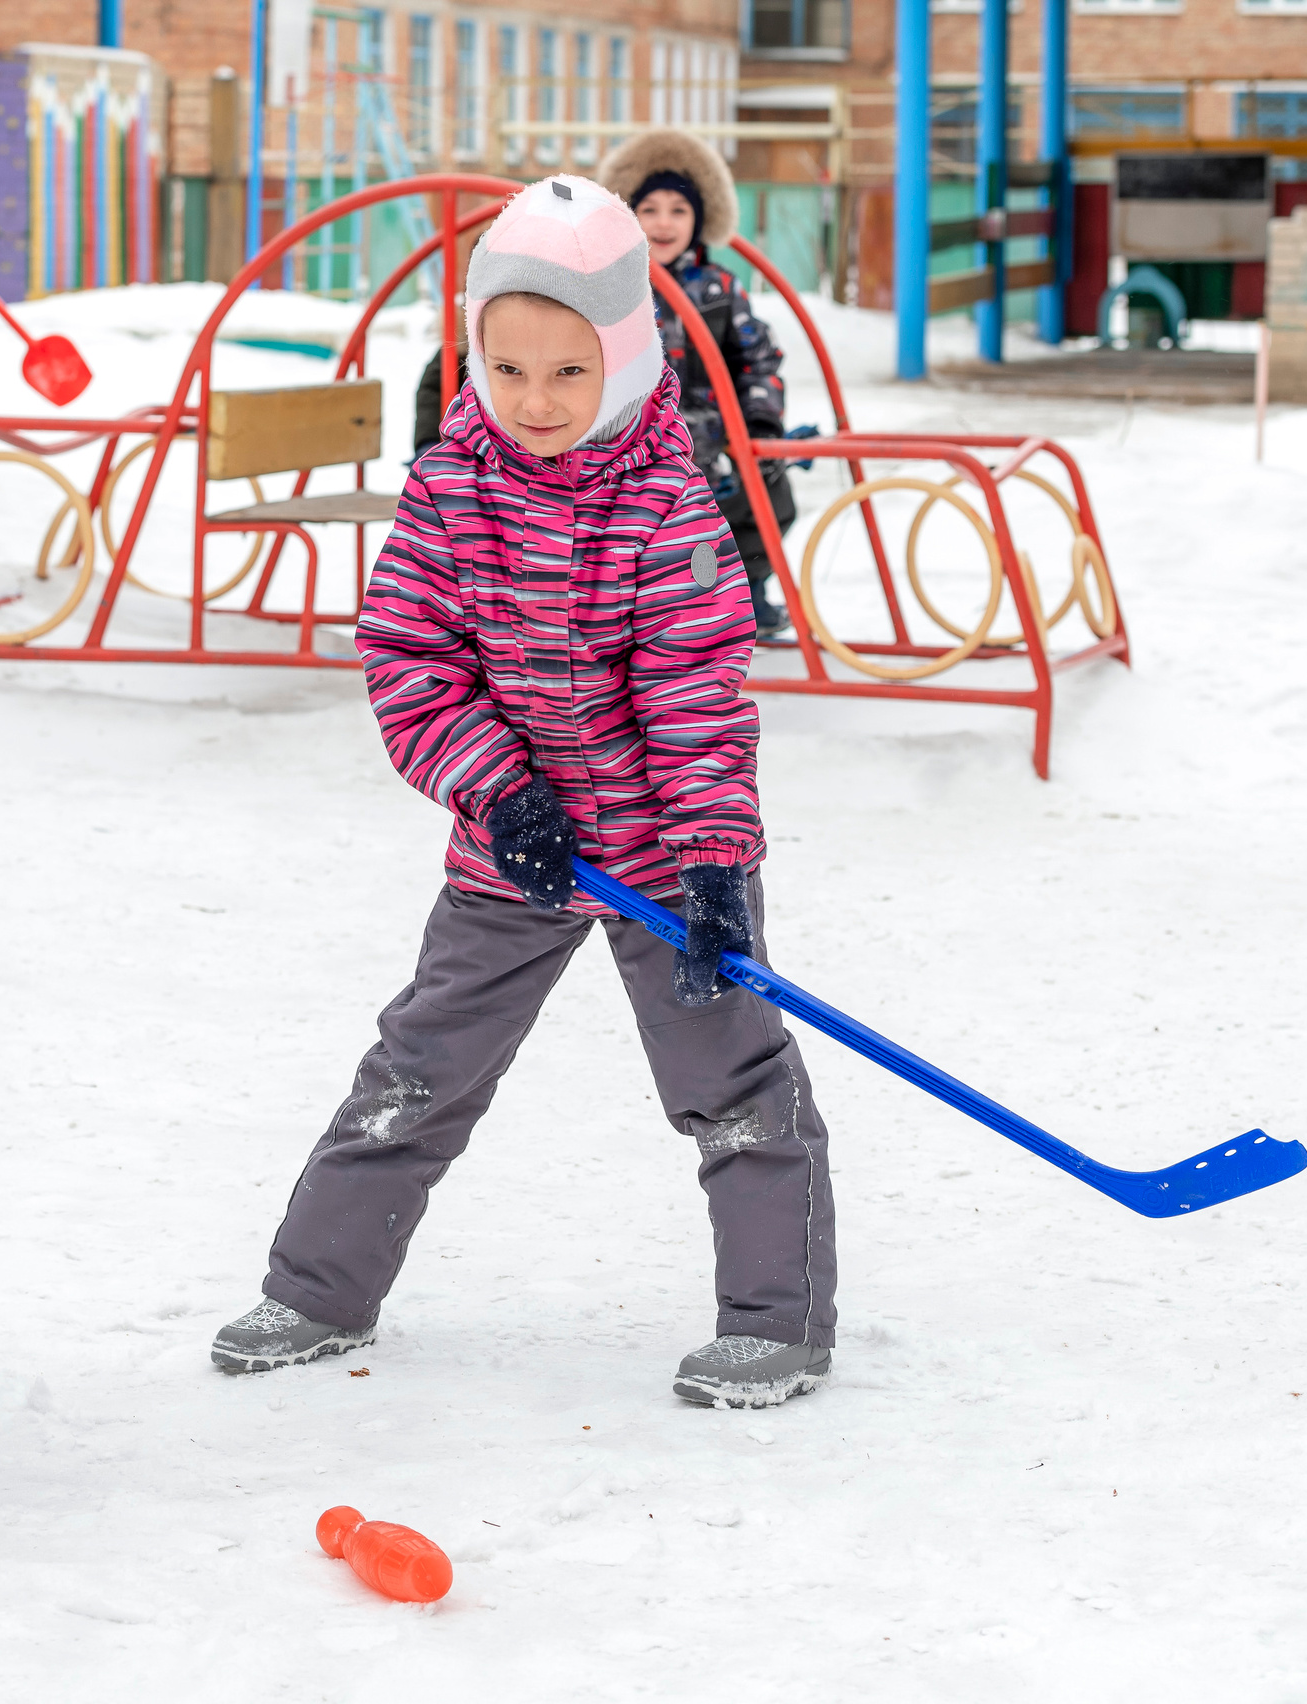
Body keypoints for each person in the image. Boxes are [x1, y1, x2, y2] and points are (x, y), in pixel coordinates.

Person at [211, 176, 837, 1411]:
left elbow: (696, 703)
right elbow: (408, 663)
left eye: (566, 372)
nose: (534, 401)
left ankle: (778, 1322)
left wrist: (713, 867)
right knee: (419, 1067)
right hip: (518, 848)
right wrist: (502, 798)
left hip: (665, 856)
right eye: (506, 368)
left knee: (732, 1086)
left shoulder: (669, 504)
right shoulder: (451, 489)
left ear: (620, 357)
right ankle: (318, 1292)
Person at [600, 128, 797, 642]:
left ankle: (746, 586)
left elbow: (758, 359)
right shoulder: (609, 285)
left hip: (710, 428)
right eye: (651, 210)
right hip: (632, 434)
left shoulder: (720, 289)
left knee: (768, 497)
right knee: (653, 517)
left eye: (678, 211)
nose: (664, 223)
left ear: (699, 220)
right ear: (630, 218)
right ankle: (647, 605)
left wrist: (759, 419)